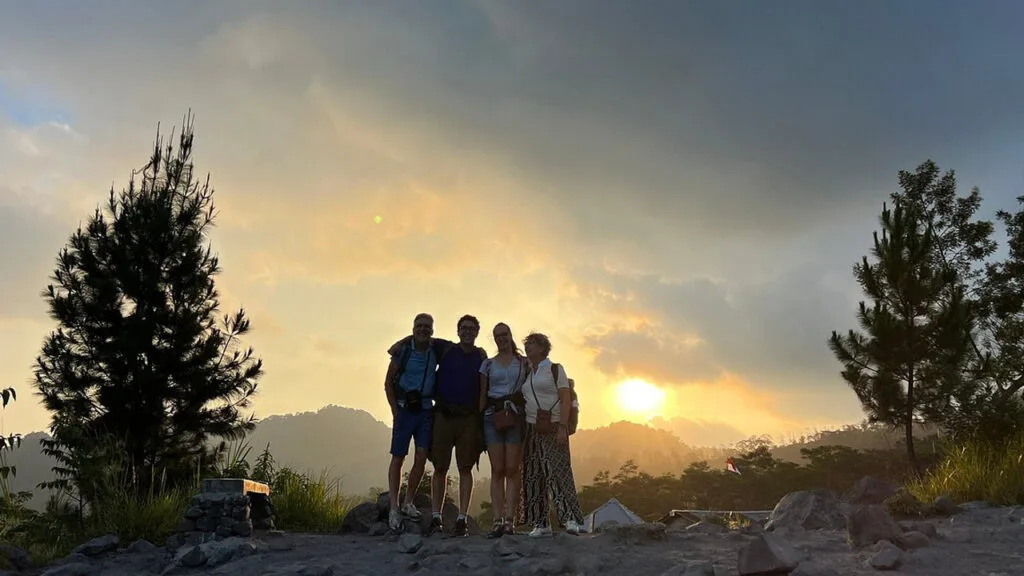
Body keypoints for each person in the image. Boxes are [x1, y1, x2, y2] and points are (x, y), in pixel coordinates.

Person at [388, 314, 487, 537]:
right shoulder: (446, 348)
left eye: (472, 329)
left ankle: (462, 518)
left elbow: (484, 386)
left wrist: (481, 416)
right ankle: (435, 517)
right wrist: (401, 342)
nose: (467, 332)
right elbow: (421, 337)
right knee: (439, 467)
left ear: (477, 332)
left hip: (468, 417)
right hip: (442, 413)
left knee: (465, 467)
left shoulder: (481, 356)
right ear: (458, 330)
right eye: (464, 328)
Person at [518, 332, 584, 537]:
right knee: (534, 475)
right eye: (527, 344)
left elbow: (565, 399)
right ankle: (541, 522)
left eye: (532, 344)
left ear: (542, 348)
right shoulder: (528, 371)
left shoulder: (554, 369)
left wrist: (563, 427)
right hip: (532, 429)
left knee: (558, 473)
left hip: (554, 425)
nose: (528, 347)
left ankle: (570, 518)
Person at [383, 313, 441, 531]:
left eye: (427, 326)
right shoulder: (403, 352)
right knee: (398, 457)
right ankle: (394, 508)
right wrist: (394, 410)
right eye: (419, 326)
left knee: (421, 456)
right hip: (405, 410)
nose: (423, 329)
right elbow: (388, 381)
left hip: (426, 410)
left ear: (432, 330)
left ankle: (408, 502)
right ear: (413, 328)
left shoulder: (435, 351)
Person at [478, 322, 528, 538]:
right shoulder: (487, 365)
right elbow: (482, 393)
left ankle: (510, 520)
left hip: (515, 416)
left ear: (510, 335)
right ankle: (498, 519)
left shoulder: (523, 363)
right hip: (492, 416)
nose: (501, 338)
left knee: (512, 469)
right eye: (497, 335)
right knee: (497, 469)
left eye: (504, 334)